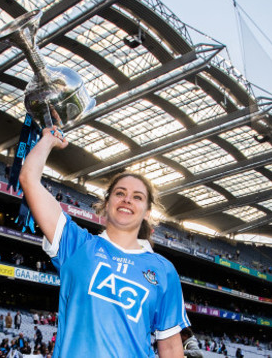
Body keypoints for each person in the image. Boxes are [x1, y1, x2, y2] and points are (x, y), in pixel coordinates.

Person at [20, 126, 190, 357]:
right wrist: (48, 140)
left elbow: (170, 346)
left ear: (147, 213)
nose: (127, 199)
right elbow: (29, 179)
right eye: (120, 193)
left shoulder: (164, 270)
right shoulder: (76, 245)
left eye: (137, 197)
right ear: (106, 203)